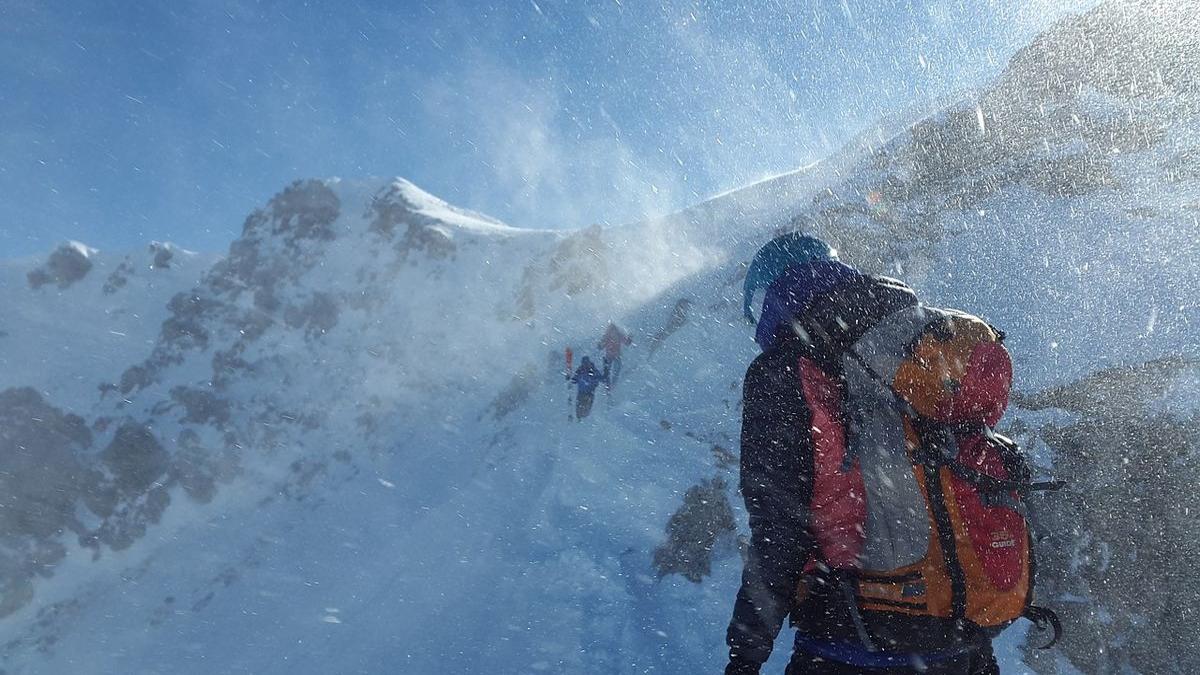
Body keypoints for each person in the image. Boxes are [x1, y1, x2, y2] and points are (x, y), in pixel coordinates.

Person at [726, 233, 1001, 675]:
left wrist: (744, 655)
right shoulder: (915, 339)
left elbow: (780, 533)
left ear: (772, 296)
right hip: (959, 640)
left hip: (851, 639)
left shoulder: (785, 371)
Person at [598, 322, 632, 388]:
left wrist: (600, 345)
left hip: (612, 355)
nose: (612, 333)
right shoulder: (612, 336)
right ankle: (610, 384)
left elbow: (601, 346)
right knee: (613, 370)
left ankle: (610, 384)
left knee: (611, 370)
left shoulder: (608, 336)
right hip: (613, 355)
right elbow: (626, 342)